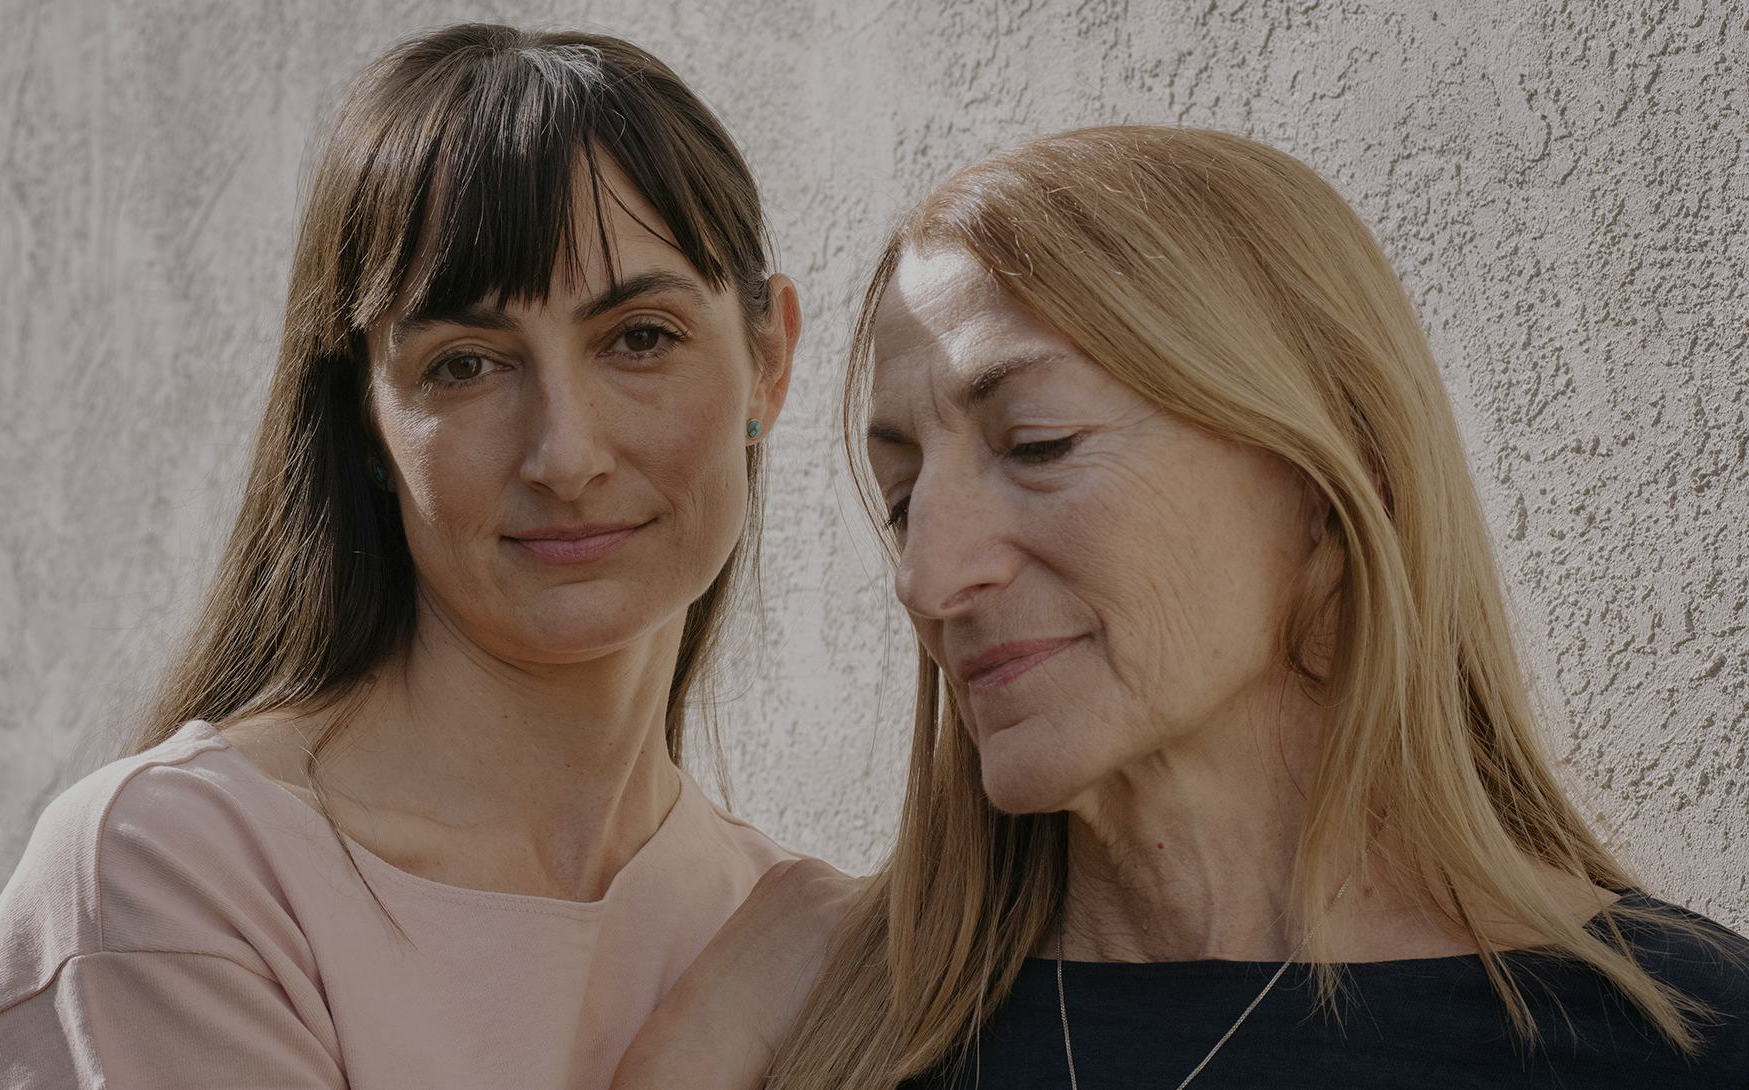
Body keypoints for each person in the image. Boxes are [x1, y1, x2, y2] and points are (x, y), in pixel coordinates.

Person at [613, 126, 1749, 1089]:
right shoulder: (818, 1013)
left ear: (1329, 484)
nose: (926, 580)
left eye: (1038, 444)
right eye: (904, 498)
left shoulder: (1673, 1038)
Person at [0, 23, 804, 1090]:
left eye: (639, 338)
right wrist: (699, 1056)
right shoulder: (172, 877)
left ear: (768, 362)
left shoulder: (796, 937)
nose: (566, 454)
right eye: (467, 364)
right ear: (366, 422)